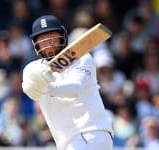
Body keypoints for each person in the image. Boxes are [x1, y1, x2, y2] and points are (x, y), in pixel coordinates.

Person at [21, 15, 114, 150]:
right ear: (36, 44)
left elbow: (75, 89)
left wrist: (46, 87)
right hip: (67, 142)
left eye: (52, 37)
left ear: (62, 36)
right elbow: (31, 92)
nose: (49, 44)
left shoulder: (81, 58)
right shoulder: (32, 68)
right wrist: (31, 86)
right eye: (43, 40)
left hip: (91, 132)